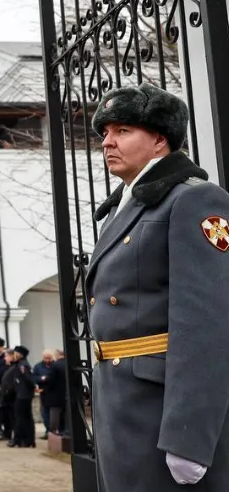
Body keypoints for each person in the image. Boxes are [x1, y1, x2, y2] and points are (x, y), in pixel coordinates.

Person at [88, 83, 229, 491]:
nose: (107, 143)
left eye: (122, 131)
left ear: (159, 139)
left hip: (160, 412)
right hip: (121, 403)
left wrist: (190, 437)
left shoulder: (193, 201)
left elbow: (207, 324)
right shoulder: (124, 207)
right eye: (105, 134)